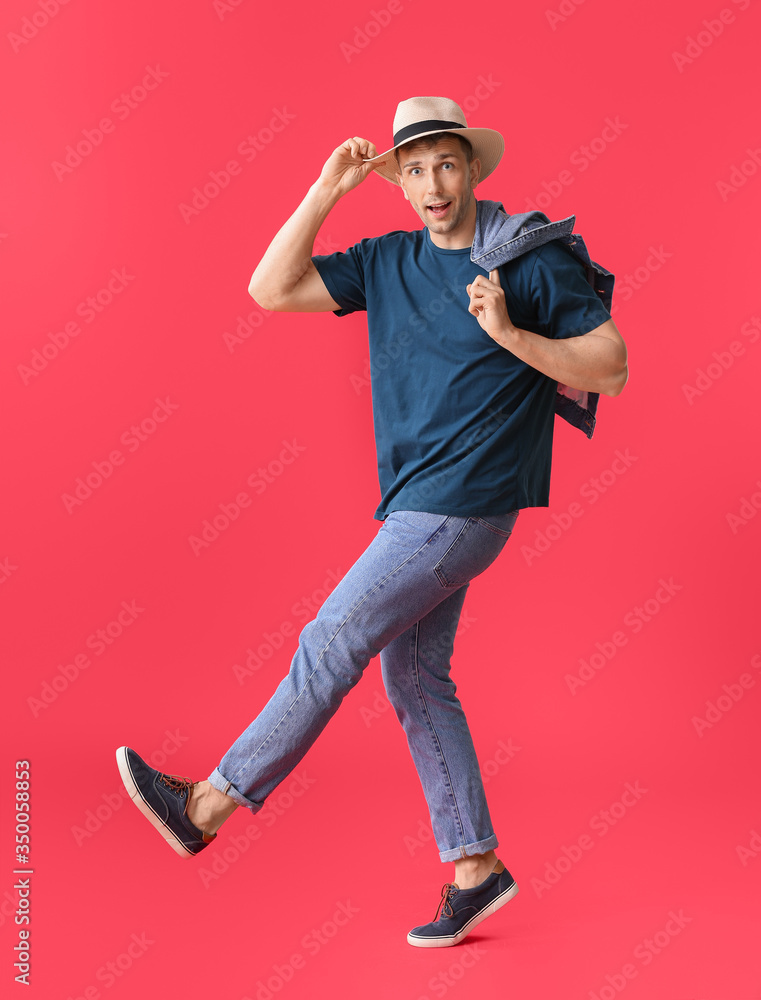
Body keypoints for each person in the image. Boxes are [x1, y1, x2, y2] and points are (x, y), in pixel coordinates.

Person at [116, 96, 628, 949]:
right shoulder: (385, 261)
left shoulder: (523, 258)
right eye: (415, 169)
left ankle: (204, 805)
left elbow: (609, 367)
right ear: (399, 183)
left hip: (463, 503)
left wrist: (509, 334)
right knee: (415, 679)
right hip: (416, 505)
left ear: (472, 167)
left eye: (446, 164)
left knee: (331, 641)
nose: (433, 184)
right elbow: (269, 288)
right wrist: (324, 191)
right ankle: (475, 869)